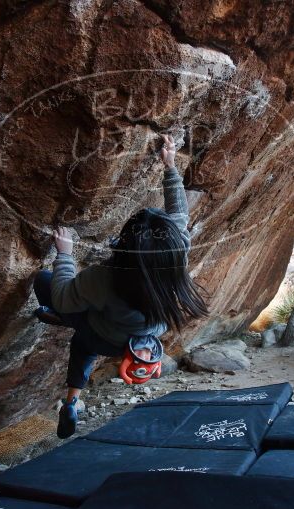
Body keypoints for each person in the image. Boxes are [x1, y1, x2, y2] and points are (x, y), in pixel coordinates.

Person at [33, 133, 209, 438]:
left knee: (48, 287)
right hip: (140, 339)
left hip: (106, 336)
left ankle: (73, 400)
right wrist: (170, 166)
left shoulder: (105, 277)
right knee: (84, 342)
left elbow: (62, 297)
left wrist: (64, 255)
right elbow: (179, 213)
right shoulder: (174, 253)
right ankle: (71, 402)